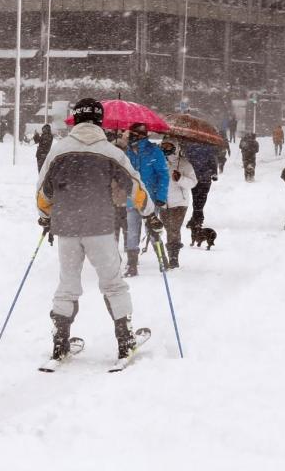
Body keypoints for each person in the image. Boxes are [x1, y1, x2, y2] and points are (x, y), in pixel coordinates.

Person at [37, 98, 154, 363]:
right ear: (99, 121)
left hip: (66, 228)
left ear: (75, 119)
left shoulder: (59, 151)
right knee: (113, 284)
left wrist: (45, 217)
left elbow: (43, 191)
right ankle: (125, 342)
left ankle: (60, 343)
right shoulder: (111, 152)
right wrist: (150, 215)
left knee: (67, 284)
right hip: (100, 227)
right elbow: (135, 186)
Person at [123, 123, 168, 276]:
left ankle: (162, 259)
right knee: (132, 231)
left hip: (151, 198)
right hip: (132, 198)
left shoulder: (154, 151)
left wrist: (161, 197)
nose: (129, 136)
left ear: (140, 135)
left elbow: (163, 175)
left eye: (132, 134)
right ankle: (132, 264)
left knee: (152, 229)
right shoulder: (127, 152)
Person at [158, 138, 197, 268]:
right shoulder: (159, 162)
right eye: (163, 146)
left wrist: (180, 178)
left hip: (180, 203)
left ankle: (173, 258)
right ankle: (171, 252)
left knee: (173, 229)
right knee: (168, 228)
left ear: (175, 148)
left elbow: (193, 182)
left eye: (169, 146)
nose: (165, 149)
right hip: (163, 202)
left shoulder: (185, 164)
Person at [183, 142, 218, 229]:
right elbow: (213, 161)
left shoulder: (189, 147)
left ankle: (196, 219)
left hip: (194, 177)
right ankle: (197, 219)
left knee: (196, 198)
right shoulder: (209, 148)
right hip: (205, 178)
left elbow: (187, 162)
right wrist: (214, 173)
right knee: (202, 198)